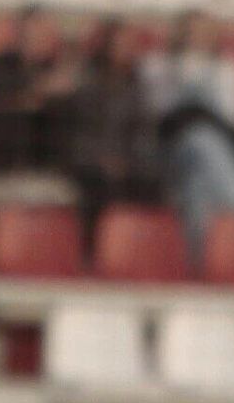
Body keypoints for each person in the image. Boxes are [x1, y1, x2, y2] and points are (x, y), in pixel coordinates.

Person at [139, 11, 234, 265]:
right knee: (198, 137)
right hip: (171, 148)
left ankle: (200, 262)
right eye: (191, 31)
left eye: (203, 31)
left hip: (215, 153)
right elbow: (157, 114)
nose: (197, 37)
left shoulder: (227, 69)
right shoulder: (157, 65)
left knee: (197, 188)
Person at [67, 21, 162, 252]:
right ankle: (94, 253)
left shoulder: (137, 85)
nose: (127, 50)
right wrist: (102, 158)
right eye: (121, 44)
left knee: (152, 186)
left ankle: (139, 253)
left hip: (128, 161)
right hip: (89, 160)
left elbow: (143, 132)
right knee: (101, 188)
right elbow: (78, 130)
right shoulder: (87, 81)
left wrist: (129, 161)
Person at [0, 6, 76, 174]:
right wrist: (39, 93)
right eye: (34, 34)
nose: (40, 39)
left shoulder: (51, 68)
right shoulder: (1, 66)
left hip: (41, 160)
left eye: (44, 35)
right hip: (0, 157)